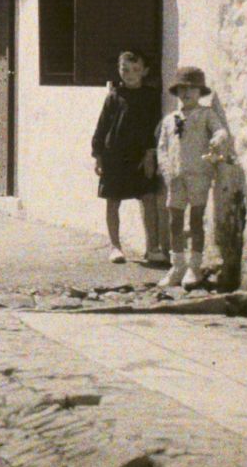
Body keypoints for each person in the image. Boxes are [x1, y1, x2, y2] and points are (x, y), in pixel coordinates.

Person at [156, 65, 231, 288]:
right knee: (174, 220)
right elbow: (162, 147)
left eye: (192, 89)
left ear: (200, 92)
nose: (186, 94)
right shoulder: (171, 119)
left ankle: (194, 266)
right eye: (182, 89)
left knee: (196, 220)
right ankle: (177, 264)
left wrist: (218, 138)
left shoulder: (206, 114)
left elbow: (220, 130)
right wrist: (166, 170)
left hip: (198, 174)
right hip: (176, 176)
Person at [90, 49, 167, 267]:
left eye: (135, 69)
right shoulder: (113, 96)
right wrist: (98, 156)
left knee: (148, 198)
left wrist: (151, 154)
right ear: (119, 70)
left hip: (140, 156)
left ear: (145, 71)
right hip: (114, 155)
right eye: (125, 69)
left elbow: (156, 125)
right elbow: (102, 126)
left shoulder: (151, 96)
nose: (130, 74)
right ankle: (115, 246)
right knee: (113, 201)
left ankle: (152, 247)